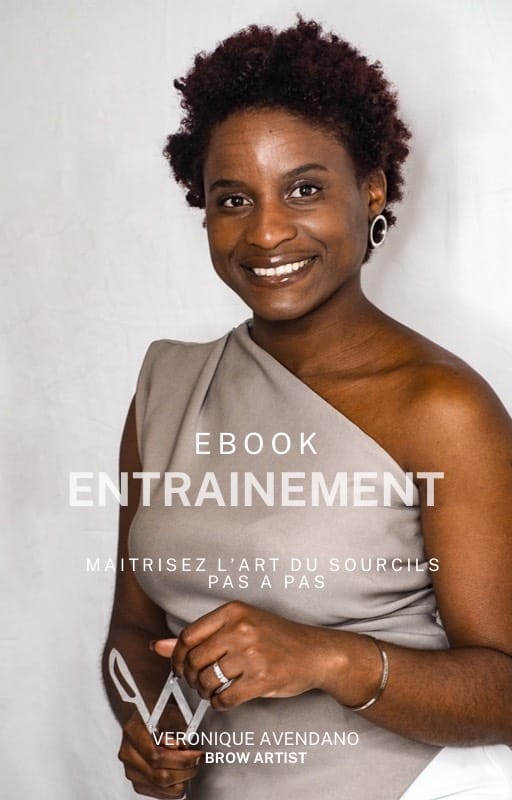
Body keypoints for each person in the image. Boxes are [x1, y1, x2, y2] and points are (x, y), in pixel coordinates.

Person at [102, 18, 512, 800]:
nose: (265, 232)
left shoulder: (441, 407)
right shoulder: (167, 386)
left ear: (372, 190)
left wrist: (328, 658)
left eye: (304, 189)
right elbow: (134, 628)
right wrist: (153, 722)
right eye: (233, 199)